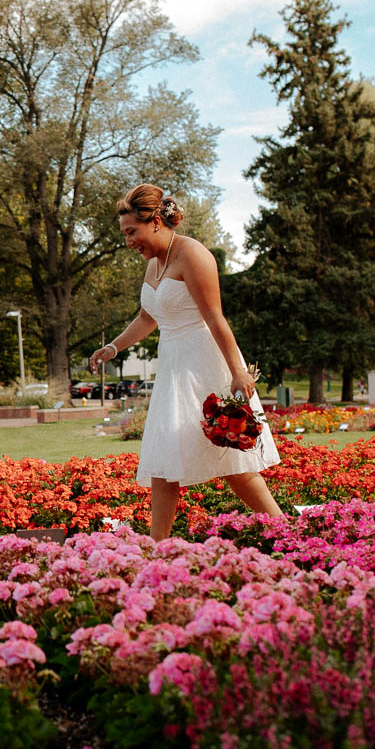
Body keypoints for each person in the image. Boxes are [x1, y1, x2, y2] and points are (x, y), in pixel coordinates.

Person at [87, 184, 283, 539]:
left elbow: (215, 317)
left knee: (232, 461)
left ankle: (286, 532)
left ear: (156, 222)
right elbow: (148, 318)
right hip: (173, 370)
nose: (129, 241)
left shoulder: (194, 255)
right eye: (125, 233)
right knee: (164, 461)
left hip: (207, 365)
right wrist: (112, 348)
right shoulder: (154, 265)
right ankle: (157, 548)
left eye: (132, 232)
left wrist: (237, 373)